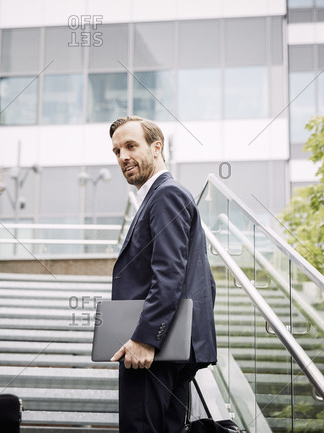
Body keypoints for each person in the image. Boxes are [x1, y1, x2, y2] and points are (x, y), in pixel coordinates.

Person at [109, 116, 217, 432]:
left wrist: (145, 338)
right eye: (116, 151)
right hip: (171, 347)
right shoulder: (163, 196)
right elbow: (202, 279)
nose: (122, 157)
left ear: (157, 148)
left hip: (155, 350)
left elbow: (169, 273)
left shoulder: (166, 195)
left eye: (131, 145)